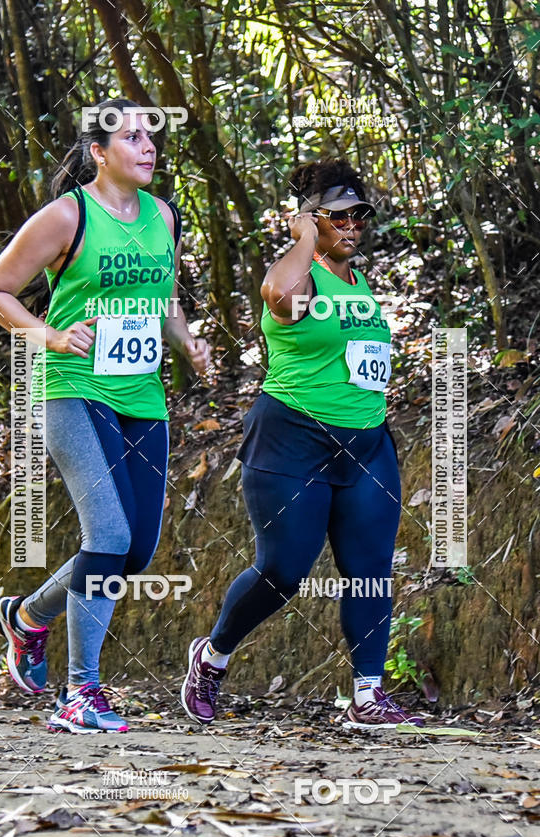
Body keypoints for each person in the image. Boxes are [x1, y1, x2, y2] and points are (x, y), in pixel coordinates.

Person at [0, 98, 209, 733]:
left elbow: (166, 295)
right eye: (131, 137)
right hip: (73, 389)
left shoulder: (162, 215)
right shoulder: (66, 216)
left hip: (141, 396)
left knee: (134, 554)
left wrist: (185, 340)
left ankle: (26, 617)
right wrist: (48, 335)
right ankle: (81, 694)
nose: (148, 146)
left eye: (151, 136)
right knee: (107, 536)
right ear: (98, 154)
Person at [181, 158, 424, 730]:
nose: (353, 224)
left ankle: (368, 695)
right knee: (282, 572)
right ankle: (212, 657)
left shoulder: (358, 283)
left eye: (359, 214)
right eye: (339, 215)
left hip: (365, 446)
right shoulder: (298, 273)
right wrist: (306, 236)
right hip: (292, 442)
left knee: (370, 570)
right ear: (309, 219)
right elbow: (279, 297)